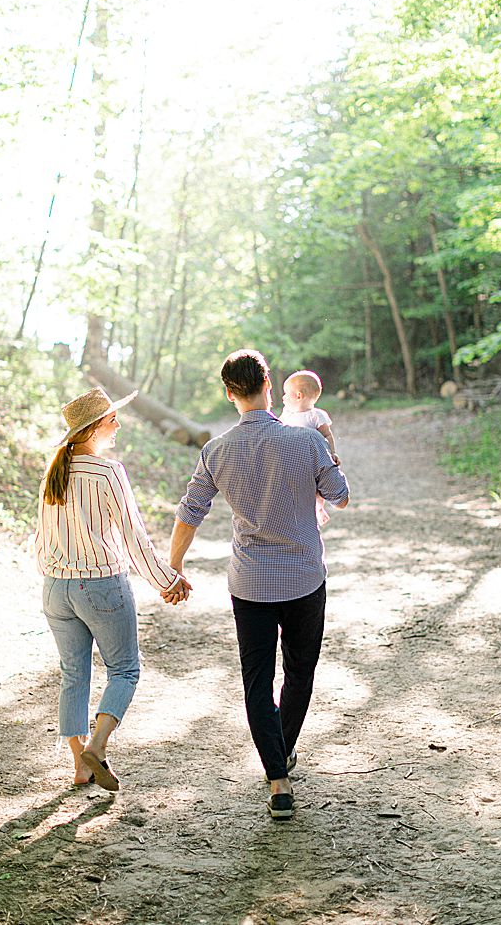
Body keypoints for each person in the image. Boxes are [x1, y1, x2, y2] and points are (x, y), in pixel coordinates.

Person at [169, 349, 349, 820]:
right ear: (269, 386)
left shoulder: (216, 451)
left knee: (256, 681)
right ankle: (283, 751)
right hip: (305, 577)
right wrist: (330, 449)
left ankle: (278, 779)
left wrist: (174, 566)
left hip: (250, 584)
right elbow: (341, 497)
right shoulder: (304, 442)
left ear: (230, 393)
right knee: (300, 671)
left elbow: (191, 512)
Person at [33, 388, 191, 792]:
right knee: (124, 669)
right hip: (101, 585)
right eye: (111, 420)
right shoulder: (107, 472)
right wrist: (168, 581)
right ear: (92, 430)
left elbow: (40, 538)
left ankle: (79, 765)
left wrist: (54, 577)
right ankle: (97, 748)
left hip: (55, 589)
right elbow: (134, 537)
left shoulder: (54, 471)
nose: (117, 425)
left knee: (73, 674)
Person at [280, 369, 338, 526]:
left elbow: (327, 435)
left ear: (298, 395)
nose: (283, 397)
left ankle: (319, 507)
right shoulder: (287, 415)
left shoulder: (316, 415)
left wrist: (332, 453)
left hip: (312, 460)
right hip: (293, 459)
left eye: (286, 393)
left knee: (317, 487)